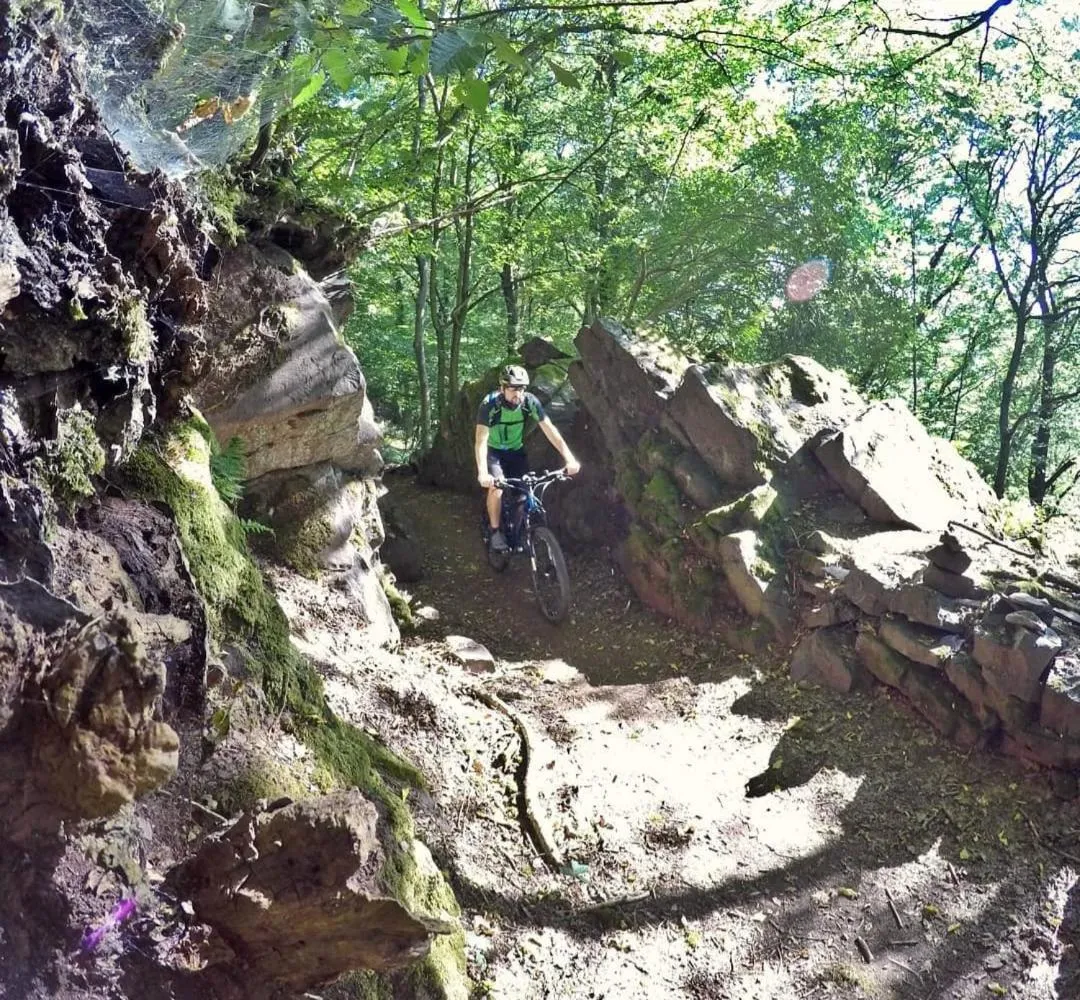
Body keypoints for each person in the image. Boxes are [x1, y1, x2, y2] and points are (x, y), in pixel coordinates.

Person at [475, 364, 581, 552]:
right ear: (502, 389)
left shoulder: (529, 402)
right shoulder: (490, 404)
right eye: (513, 389)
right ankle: (495, 531)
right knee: (497, 488)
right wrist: (483, 473)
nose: (518, 393)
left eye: (522, 388)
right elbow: (481, 441)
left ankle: (516, 536)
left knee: (524, 494)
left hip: (516, 451)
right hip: (494, 452)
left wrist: (570, 458)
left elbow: (550, 430)